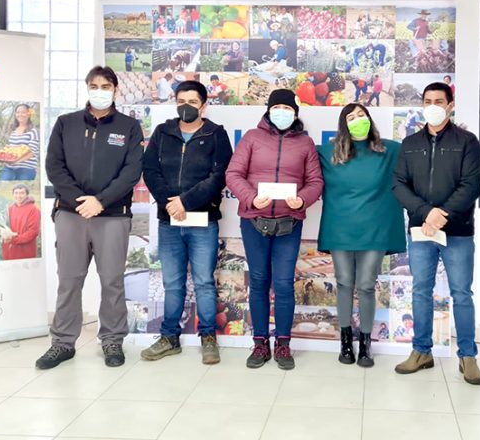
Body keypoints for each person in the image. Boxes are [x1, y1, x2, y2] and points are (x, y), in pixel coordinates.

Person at [37, 66, 143, 370]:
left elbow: (131, 171)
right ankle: (62, 343)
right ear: (87, 88)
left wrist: (101, 201)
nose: (100, 90)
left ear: (116, 90)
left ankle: (112, 340)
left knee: (112, 280)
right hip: (71, 214)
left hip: (112, 215)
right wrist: (79, 201)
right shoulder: (65, 124)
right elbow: (54, 167)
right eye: (94, 85)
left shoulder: (129, 127)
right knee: (69, 280)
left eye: (106, 86)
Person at [392, 82, 480, 384]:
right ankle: (421, 351)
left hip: (457, 231)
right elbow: (399, 185)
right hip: (420, 230)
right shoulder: (410, 143)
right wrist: (425, 213)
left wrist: (440, 214)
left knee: (461, 293)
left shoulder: (467, 141)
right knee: (421, 290)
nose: (433, 105)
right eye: (428, 100)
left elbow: (471, 185)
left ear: (450, 105)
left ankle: (467, 356)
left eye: (439, 101)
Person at [226, 89, 323, 370]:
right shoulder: (252, 138)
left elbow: (315, 181)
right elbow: (233, 174)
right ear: (268, 110)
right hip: (253, 221)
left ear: (295, 113)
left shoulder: (305, 144)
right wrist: (251, 198)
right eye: (276, 106)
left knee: (282, 284)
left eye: (287, 107)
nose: (281, 112)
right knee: (258, 281)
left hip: (288, 223)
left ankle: (283, 343)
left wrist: (302, 198)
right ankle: (259, 343)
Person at [140, 80, 233, 365]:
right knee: (173, 283)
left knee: (204, 282)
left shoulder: (216, 134)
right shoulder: (163, 132)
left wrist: (186, 202)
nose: (187, 106)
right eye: (182, 100)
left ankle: (208, 337)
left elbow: (219, 176)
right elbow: (150, 169)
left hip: (202, 220)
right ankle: (170, 337)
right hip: (169, 221)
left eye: (193, 102)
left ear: (204, 105)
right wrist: (171, 202)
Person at [317, 104, 406, 367]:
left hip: (375, 228)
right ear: (343, 123)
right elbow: (300, 170)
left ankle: (366, 343)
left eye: (362, 115)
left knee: (366, 284)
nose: (358, 120)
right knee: (344, 282)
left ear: (370, 118)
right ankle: (345, 341)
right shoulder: (327, 152)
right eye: (351, 117)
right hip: (340, 227)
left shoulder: (390, 150)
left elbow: (421, 157)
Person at [0, 184, 41, 260]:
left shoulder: (33, 210)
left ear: (27, 194)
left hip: (25, 253)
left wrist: (13, 239)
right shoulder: (10, 209)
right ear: (13, 194)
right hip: (8, 253)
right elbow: (3, 226)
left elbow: (33, 232)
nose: (18, 196)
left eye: (22, 193)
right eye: (16, 193)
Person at [0, 104, 39, 181]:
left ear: (28, 114)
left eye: (23, 112)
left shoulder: (33, 131)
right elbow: (11, 149)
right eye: (18, 112)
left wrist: (16, 161)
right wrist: (4, 155)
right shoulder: (13, 130)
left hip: (26, 169)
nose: (20, 114)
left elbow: (32, 152)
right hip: (9, 168)